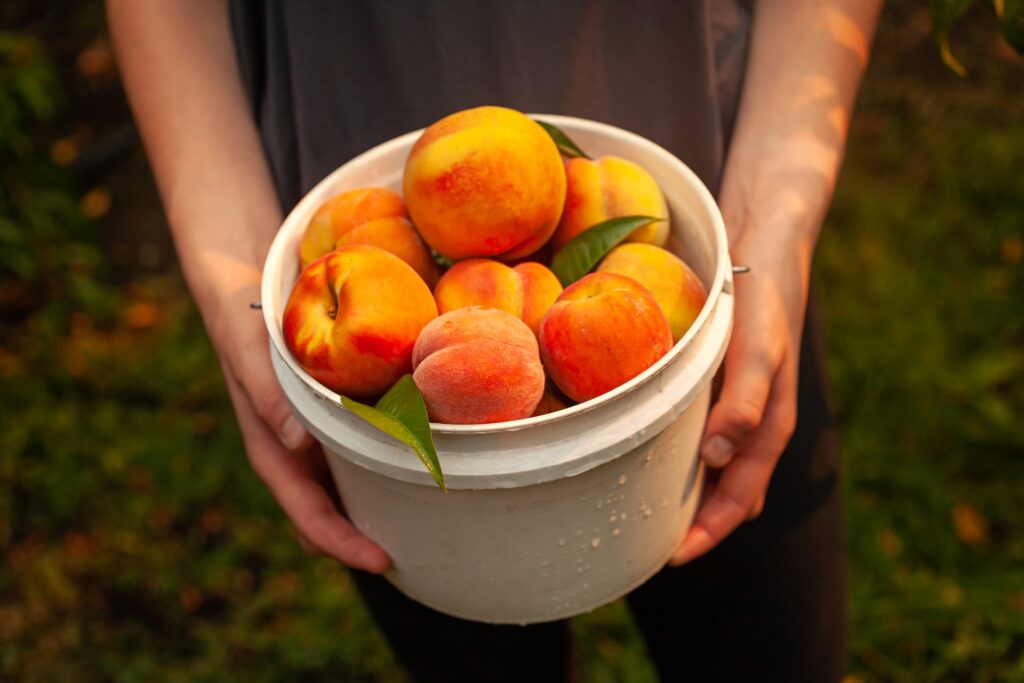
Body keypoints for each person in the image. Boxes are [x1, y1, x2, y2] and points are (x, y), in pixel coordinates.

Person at [107, 1, 882, 680]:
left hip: (723, 243)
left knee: (769, 648)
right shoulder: (377, 250)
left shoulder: (630, 244)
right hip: (384, 392)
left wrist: (773, 211)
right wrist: (231, 269)